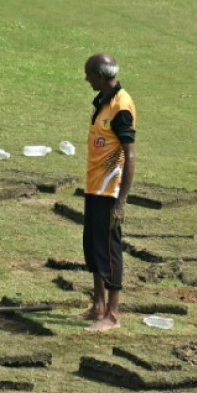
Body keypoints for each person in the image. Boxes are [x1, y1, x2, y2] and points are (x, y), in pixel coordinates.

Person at [78, 53, 137, 332]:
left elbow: (130, 154)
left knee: (110, 250)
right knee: (92, 247)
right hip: (94, 186)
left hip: (109, 190)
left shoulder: (121, 106)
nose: (86, 78)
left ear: (100, 76)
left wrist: (121, 201)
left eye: (88, 73)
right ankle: (98, 306)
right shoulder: (102, 101)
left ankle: (112, 315)